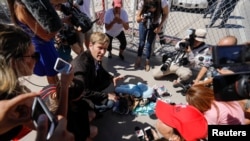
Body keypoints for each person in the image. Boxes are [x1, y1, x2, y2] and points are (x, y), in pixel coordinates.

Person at [0, 23, 74, 140]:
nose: (37, 59)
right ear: (14, 61)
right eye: (34, 55)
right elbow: (55, 128)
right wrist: (64, 85)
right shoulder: (14, 100)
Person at [7, 0, 67, 84]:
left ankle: (60, 92)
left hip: (45, 44)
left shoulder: (26, 4)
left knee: (54, 73)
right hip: (41, 47)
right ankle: (57, 95)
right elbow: (44, 36)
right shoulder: (21, 8)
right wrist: (60, 25)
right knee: (52, 75)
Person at [135, 0, 169, 71]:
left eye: (153, 9)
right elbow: (137, 19)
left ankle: (147, 62)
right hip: (143, 24)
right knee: (141, 42)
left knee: (149, 44)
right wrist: (141, 18)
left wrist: (159, 26)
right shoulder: (142, 2)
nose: (151, 11)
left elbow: (165, 13)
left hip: (154, 24)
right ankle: (138, 59)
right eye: (149, 9)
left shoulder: (162, 2)